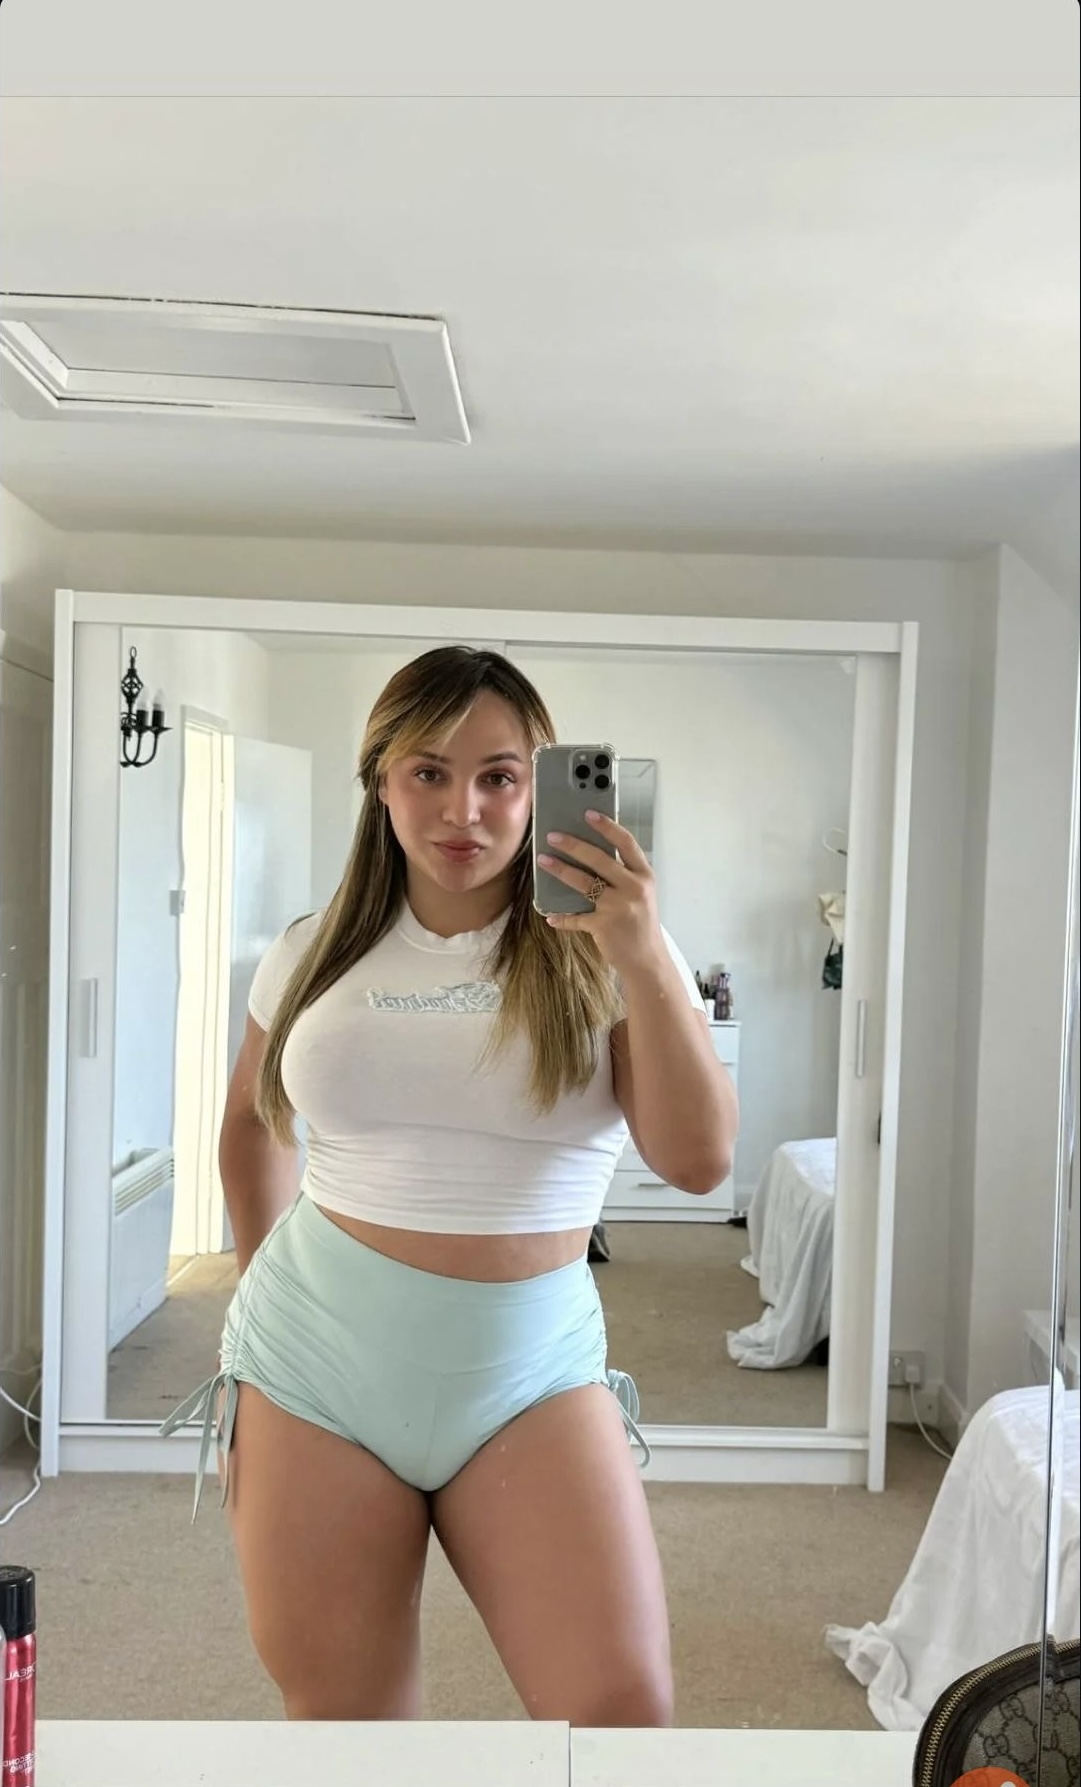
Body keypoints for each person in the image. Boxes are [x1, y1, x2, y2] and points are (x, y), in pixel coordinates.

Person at [161, 645, 738, 1727]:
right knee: (348, 1729)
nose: (462, 808)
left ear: (538, 787)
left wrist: (643, 952)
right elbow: (249, 1120)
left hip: (530, 1370)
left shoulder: (613, 952)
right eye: (428, 771)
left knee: (619, 1722)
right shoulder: (309, 949)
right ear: (380, 781)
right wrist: (255, 1292)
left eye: (498, 776)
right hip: (312, 1364)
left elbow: (699, 1160)